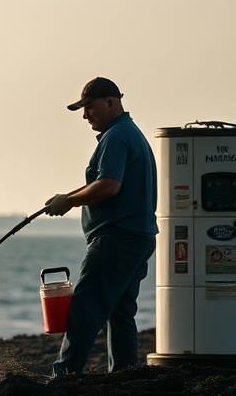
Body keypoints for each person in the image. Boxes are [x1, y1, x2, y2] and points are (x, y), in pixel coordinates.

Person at [43, 76, 157, 376]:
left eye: (89, 107)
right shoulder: (132, 134)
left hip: (117, 239)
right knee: (120, 312)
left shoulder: (116, 137)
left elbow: (108, 185)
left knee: (84, 307)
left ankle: (63, 377)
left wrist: (68, 200)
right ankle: (124, 376)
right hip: (139, 237)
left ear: (110, 102)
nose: (85, 115)